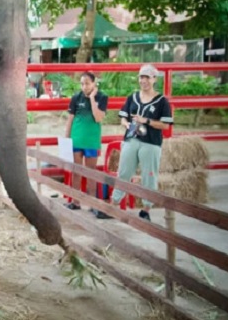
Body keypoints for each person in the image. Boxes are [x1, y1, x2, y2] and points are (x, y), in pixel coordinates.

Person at [102, 64, 173, 221]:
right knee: (124, 172)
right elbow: (123, 116)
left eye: (147, 77)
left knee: (149, 175)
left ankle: (146, 210)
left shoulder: (162, 102)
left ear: (154, 79)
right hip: (131, 139)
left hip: (150, 143)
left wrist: (146, 121)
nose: (144, 80)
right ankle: (113, 205)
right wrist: (126, 124)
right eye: (141, 77)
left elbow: (166, 125)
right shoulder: (132, 97)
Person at [64, 72, 108, 213]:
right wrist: (66, 139)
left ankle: (92, 203)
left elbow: (98, 117)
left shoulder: (102, 97)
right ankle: (75, 202)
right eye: (82, 83)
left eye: (87, 83)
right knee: (76, 171)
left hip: (91, 140)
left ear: (94, 83)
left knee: (91, 173)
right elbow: (70, 119)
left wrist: (92, 98)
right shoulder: (76, 97)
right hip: (76, 139)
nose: (84, 86)